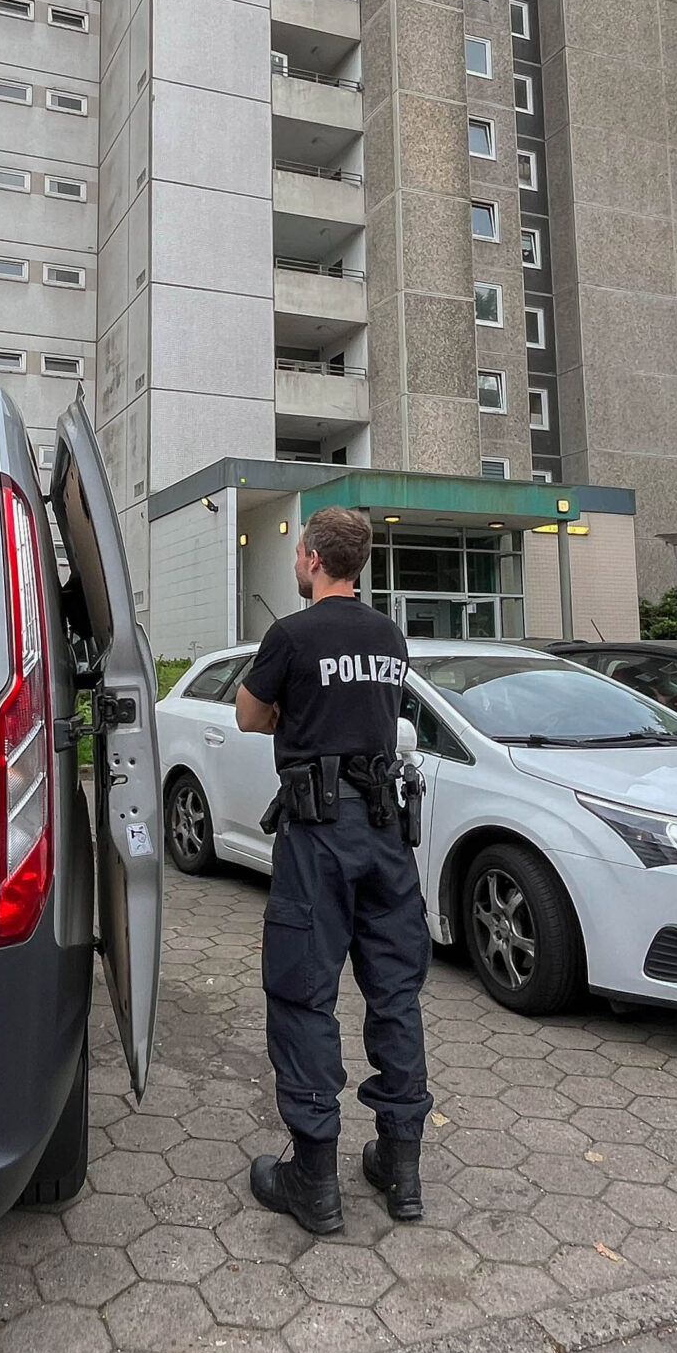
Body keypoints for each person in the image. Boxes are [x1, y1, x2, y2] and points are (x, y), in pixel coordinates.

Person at [234, 506, 432, 1233]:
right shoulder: (389, 635)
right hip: (386, 836)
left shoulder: (291, 634)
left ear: (314, 559)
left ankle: (314, 1180)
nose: (294, 563)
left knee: (303, 993)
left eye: (296, 554)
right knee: (395, 994)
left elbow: (249, 717)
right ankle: (400, 1167)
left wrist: (296, 710)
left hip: (319, 838)